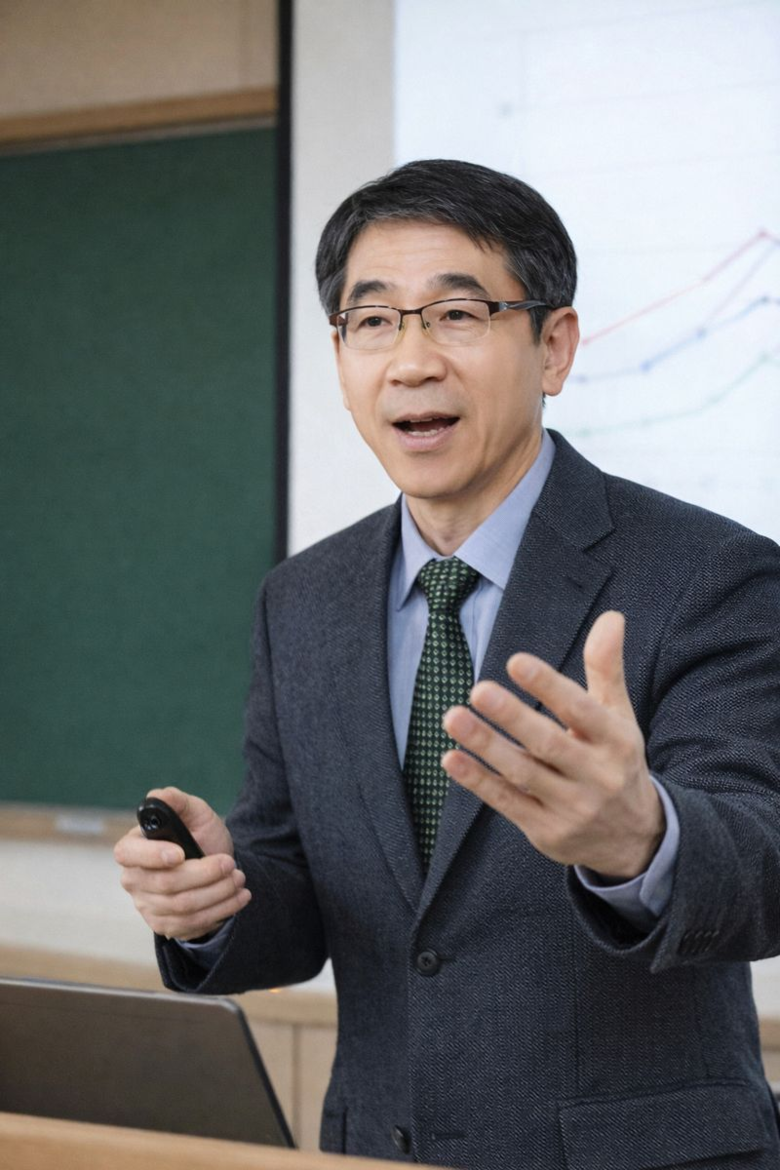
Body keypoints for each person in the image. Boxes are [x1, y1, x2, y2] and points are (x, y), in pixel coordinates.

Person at [115, 159, 780, 1169]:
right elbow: (303, 891)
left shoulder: (709, 573)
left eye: (458, 315)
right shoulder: (302, 599)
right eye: (373, 321)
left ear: (553, 346)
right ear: (340, 355)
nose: (411, 362)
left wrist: (641, 839)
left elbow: (765, 863)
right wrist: (215, 900)